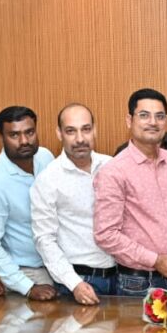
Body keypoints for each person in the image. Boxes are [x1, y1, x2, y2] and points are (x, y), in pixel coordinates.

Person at [94, 88, 167, 295]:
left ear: (166, 121)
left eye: (160, 116)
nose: (153, 122)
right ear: (129, 121)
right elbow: (106, 234)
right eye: (144, 115)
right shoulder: (114, 171)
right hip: (139, 283)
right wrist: (156, 260)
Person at [31, 104, 117, 304]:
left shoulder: (111, 166)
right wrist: (74, 283)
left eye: (86, 129)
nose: (80, 139)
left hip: (120, 277)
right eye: (71, 131)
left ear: (95, 130)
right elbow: (44, 239)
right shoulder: (48, 179)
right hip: (78, 282)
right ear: (59, 134)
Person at [0, 106, 57, 300]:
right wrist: (28, 287)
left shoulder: (46, 157)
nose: (24, 141)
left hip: (58, 264)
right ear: (1, 138)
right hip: (28, 273)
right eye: (14, 135)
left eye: (29, 132)